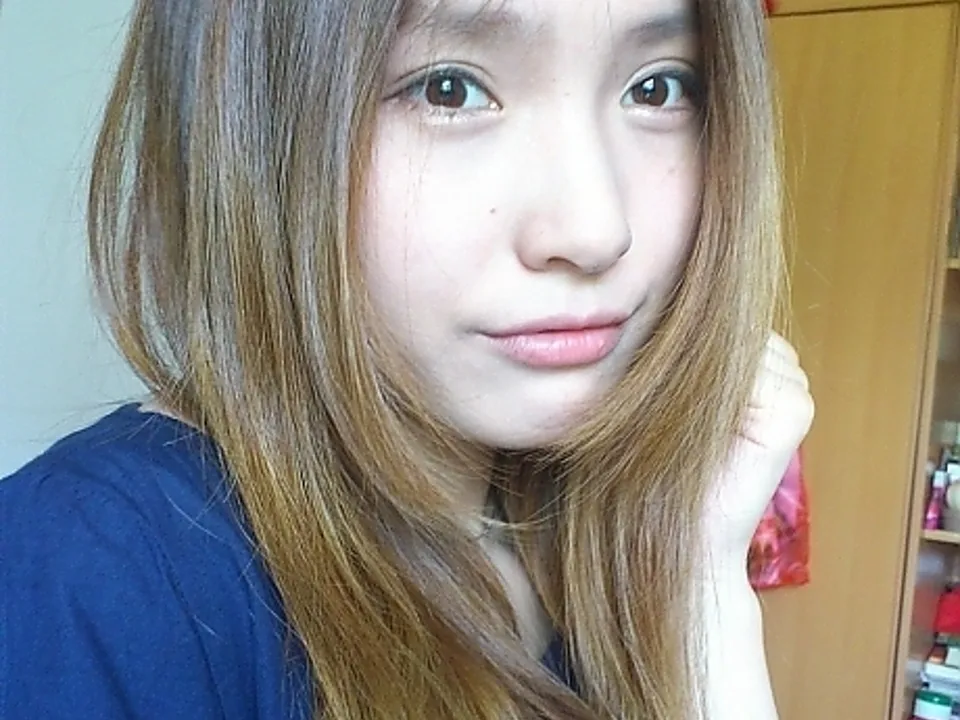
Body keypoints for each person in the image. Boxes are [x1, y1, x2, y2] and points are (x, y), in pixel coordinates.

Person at [0, 0, 813, 718]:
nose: (597, 229)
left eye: (658, 87)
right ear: (251, 125)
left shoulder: (580, 516)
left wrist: (705, 598)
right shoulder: (90, 572)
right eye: (448, 89)